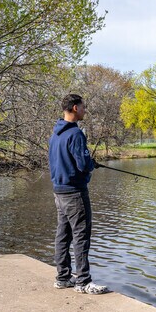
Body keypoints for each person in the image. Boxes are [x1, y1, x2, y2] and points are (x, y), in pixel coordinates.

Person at [48, 94, 108, 295]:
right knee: (81, 235)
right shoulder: (75, 134)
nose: (85, 110)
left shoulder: (55, 134)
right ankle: (83, 281)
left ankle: (63, 278)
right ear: (75, 108)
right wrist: (91, 164)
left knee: (63, 235)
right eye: (83, 107)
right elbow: (83, 164)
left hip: (59, 191)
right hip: (74, 193)